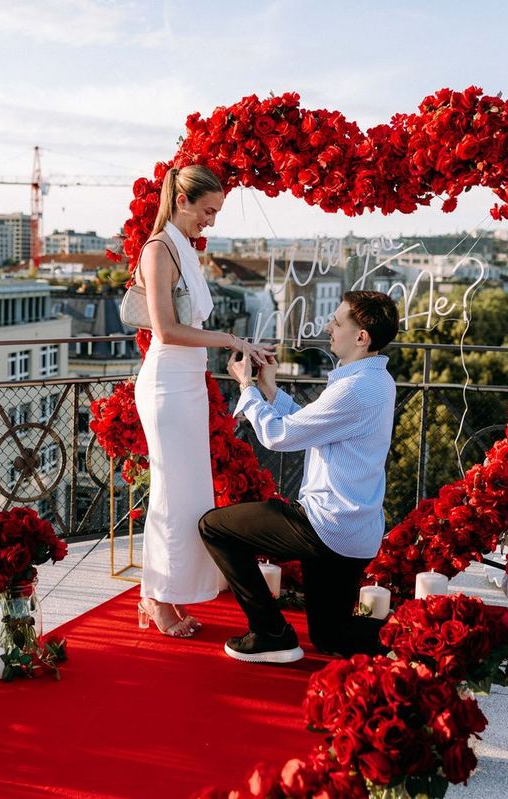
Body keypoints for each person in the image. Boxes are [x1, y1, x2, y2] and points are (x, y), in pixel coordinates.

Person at [199, 291, 399, 662]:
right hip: (353, 529)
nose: (328, 327)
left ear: (362, 337)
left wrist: (245, 387)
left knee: (215, 527)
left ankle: (270, 632)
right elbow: (312, 424)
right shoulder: (374, 379)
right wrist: (269, 388)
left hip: (327, 524)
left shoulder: (356, 388)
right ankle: (423, 635)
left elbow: (280, 436)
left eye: (337, 322)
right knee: (331, 636)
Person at [133, 164, 274, 638]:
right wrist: (231, 339)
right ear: (182, 202)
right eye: (208, 211)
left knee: (188, 492)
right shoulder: (159, 250)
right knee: (172, 494)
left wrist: (233, 345)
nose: (211, 221)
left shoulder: (183, 250)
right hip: (167, 384)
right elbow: (167, 330)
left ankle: (162, 591)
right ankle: (157, 597)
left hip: (188, 383)